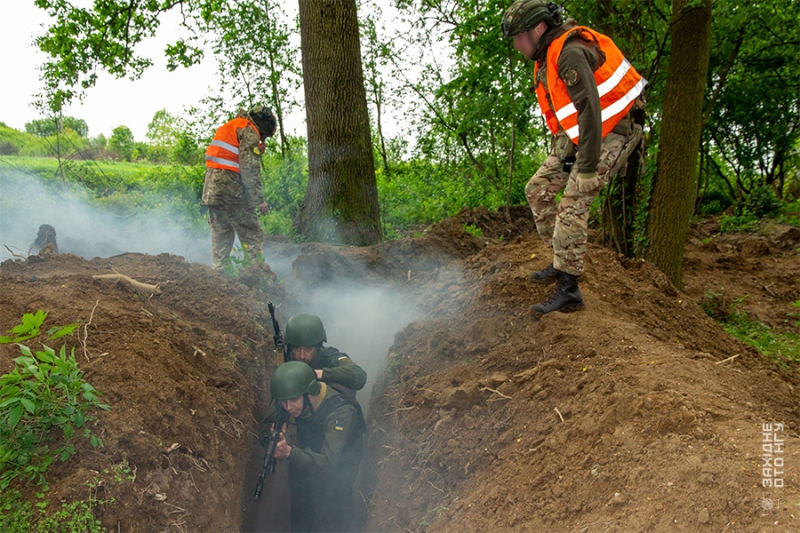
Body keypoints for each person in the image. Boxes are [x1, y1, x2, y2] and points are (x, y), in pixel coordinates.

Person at [502, 1, 646, 315]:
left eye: (518, 37)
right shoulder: (545, 57)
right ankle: (561, 260)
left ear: (537, 29)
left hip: (615, 130)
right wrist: (566, 156)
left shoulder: (568, 52)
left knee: (571, 205)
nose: (515, 45)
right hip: (582, 135)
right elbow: (570, 117)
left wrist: (587, 167)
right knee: (537, 191)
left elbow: (590, 109)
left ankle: (569, 290)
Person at [266, 361, 366, 533]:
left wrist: (288, 451)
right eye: (284, 402)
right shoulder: (293, 399)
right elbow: (264, 425)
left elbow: (327, 465)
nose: (289, 407)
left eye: (294, 400)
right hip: (309, 460)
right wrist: (271, 435)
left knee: (332, 519)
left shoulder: (341, 412)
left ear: (310, 393)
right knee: (301, 514)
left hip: (339, 469)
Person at [201, 106, 277, 269]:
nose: (262, 139)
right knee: (253, 234)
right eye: (263, 135)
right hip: (231, 188)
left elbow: (229, 156)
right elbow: (249, 168)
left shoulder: (230, 126)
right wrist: (260, 201)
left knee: (221, 237)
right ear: (262, 125)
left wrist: (256, 148)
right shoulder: (249, 130)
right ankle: (256, 276)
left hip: (212, 190)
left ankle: (219, 277)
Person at [284, 313, 367, 394]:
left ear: (318, 346)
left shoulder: (330, 356)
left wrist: (318, 374)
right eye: (297, 348)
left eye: (308, 349)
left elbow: (358, 375)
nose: (302, 356)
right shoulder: (286, 359)